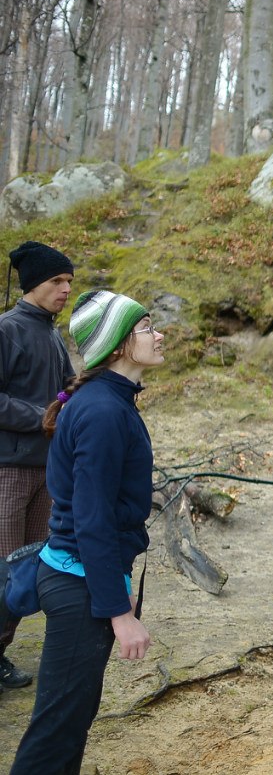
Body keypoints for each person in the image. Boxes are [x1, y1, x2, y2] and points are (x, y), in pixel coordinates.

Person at [10, 289, 160, 773]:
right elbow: (92, 520)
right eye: (145, 328)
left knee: (68, 723)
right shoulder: (101, 412)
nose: (158, 335)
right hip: (77, 587)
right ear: (118, 346)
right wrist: (118, 612)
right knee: (56, 731)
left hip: (83, 577)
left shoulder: (108, 401)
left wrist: (115, 586)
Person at [0, 241, 76, 690]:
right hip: (8, 472)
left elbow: (67, 388)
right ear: (33, 285)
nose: (65, 289)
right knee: (5, 571)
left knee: (29, 571)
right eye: (57, 281)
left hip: (47, 472)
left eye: (68, 281)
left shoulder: (51, 332)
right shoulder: (7, 330)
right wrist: (42, 416)